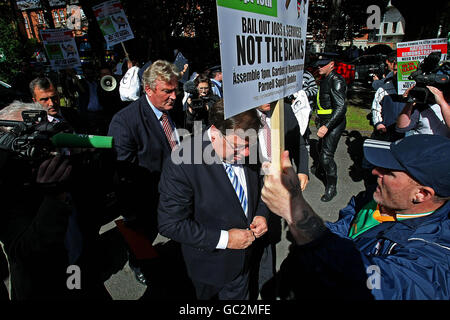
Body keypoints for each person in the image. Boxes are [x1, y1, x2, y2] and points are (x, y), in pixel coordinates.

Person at [261, 134, 450, 300]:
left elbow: (378, 285)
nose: (376, 172)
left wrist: (295, 210)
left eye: (390, 172)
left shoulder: (436, 252)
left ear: (422, 194)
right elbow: (345, 227)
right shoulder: (378, 197)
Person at [0, 101, 113, 300]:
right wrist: (54, 198)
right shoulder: (9, 187)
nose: (45, 143)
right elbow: (26, 253)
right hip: (45, 288)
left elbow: (97, 201)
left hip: (81, 270)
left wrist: (89, 159)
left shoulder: (63, 164)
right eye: (33, 136)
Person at [158, 100, 269, 300]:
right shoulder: (183, 161)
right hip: (208, 270)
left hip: (243, 266)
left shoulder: (246, 140)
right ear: (216, 132)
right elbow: (170, 224)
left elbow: (261, 182)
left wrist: (261, 212)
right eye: (237, 147)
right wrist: (226, 239)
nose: (246, 154)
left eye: (249, 146)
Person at [108, 59, 184, 287]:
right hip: (145, 196)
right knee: (143, 237)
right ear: (148, 90)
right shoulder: (125, 121)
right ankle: (138, 263)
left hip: (175, 188)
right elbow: (125, 170)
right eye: (167, 91)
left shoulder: (173, 108)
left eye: (176, 90)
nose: (174, 96)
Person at [251, 100, 309, 299]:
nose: (268, 101)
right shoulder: (239, 112)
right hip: (250, 180)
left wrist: (303, 170)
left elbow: (298, 142)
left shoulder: (282, 110)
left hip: (276, 182)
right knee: (251, 234)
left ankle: (267, 289)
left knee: (268, 235)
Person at [313, 57, 347, 202]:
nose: (319, 67)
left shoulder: (336, 80)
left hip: (334, 123)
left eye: (322, 65)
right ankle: (321, 169)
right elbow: (323, 101)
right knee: (321, 149)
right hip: (324, 121)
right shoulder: (325, 78)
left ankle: (332, 188)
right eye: (318, 65)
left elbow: (341, 107)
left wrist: (327, 126)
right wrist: (318, 117)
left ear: (332, 64)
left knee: (326, 157)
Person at [370, 50, 405, 142]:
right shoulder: (383, 89)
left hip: (406, 134)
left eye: (399, 70)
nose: (396, 73)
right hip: (386, 131)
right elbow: (376, 108)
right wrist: (379, 123)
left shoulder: (414, 91)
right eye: (395, 70)